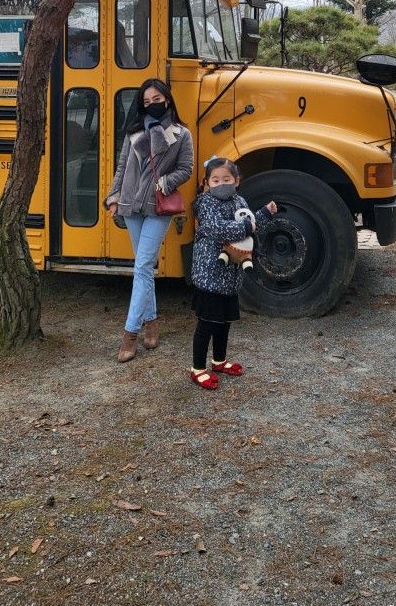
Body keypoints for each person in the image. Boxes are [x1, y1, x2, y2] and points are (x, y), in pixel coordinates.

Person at [104, 79, 193, 362]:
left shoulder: (181, 134)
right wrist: (114, 196)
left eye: (156, 99)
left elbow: (186, 168)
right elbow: (122, 167)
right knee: (144, 267)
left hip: (158, 206)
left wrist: (165, 182)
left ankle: (130, 334)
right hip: (131, 204)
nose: (151, 104)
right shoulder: (133, 132)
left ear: (166, 100)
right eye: (145, 102)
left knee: (142, 265)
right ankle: (152, 322)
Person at [189, 157, 277, 390]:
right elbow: (217, 228)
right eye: (215, 180)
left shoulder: (240, 200)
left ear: (237, 181)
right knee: (206, 323)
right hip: (209, 275)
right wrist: (249, 226)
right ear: (207, 183)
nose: (221, 184)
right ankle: (197, 368)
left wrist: (264, 215)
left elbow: (250, 227)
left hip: (231, 276)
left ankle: (219, 360)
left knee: (224, 323)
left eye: (226, 179)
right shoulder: (205, 203)